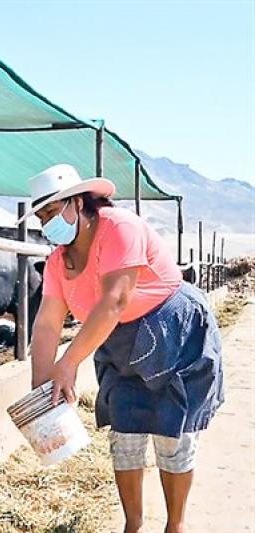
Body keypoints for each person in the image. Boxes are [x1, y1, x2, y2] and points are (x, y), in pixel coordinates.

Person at [19, 164, 224, 533]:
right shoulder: (57, 262)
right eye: (42, 216)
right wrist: (42, 387)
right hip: (115, 341)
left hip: (172, 331)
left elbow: (114, 300)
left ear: (78, 202)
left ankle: (175, 525)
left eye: (53, 211)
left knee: (172, 435)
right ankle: (133, 524)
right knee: (125, 433)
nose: (49, 223)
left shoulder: (118, 227)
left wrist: (68, 363)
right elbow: (48, 323)